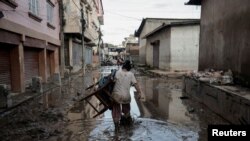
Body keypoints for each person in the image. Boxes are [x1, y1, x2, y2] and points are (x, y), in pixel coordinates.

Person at [111, 60, 142, 132]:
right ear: (129, 68)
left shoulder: (117, 72)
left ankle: (116, 128)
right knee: (127, 109)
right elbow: (136, 84)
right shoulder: (131, 74)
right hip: (126, 97)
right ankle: (128, 125)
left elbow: (112, 81)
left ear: (123, 66)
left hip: (117, 96)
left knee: (116, 110)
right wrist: (139, 93)